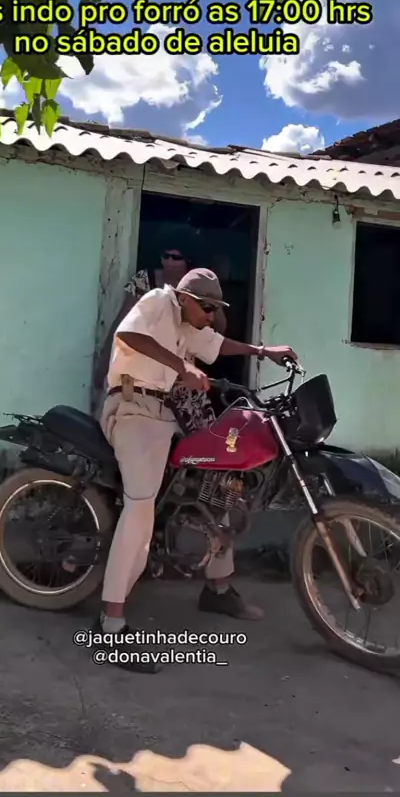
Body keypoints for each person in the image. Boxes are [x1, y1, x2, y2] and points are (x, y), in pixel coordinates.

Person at [91, 267, 299, 673]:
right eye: (206, 307)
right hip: (134, 409)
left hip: (169, 413)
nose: (211, 315)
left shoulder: (190, 325)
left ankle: (217, 588)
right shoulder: (158, 302)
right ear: (184, 298)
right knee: (140, 507)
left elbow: (218, 346)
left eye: (215, 308)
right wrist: (182, 367)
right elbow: (128, 335)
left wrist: (264, 351)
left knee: (221, 486)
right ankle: (110, 623)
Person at [93, 237, 226, 432]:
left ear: (189, 260)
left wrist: (208, 302)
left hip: (182, 377)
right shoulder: (146, 282)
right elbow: (124, 324)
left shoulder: (199, 288)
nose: (169, 262)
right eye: (166, 256)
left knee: (199, 436)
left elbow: (220, 328)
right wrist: (104, 362)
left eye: (176, 257)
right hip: (148, 376)